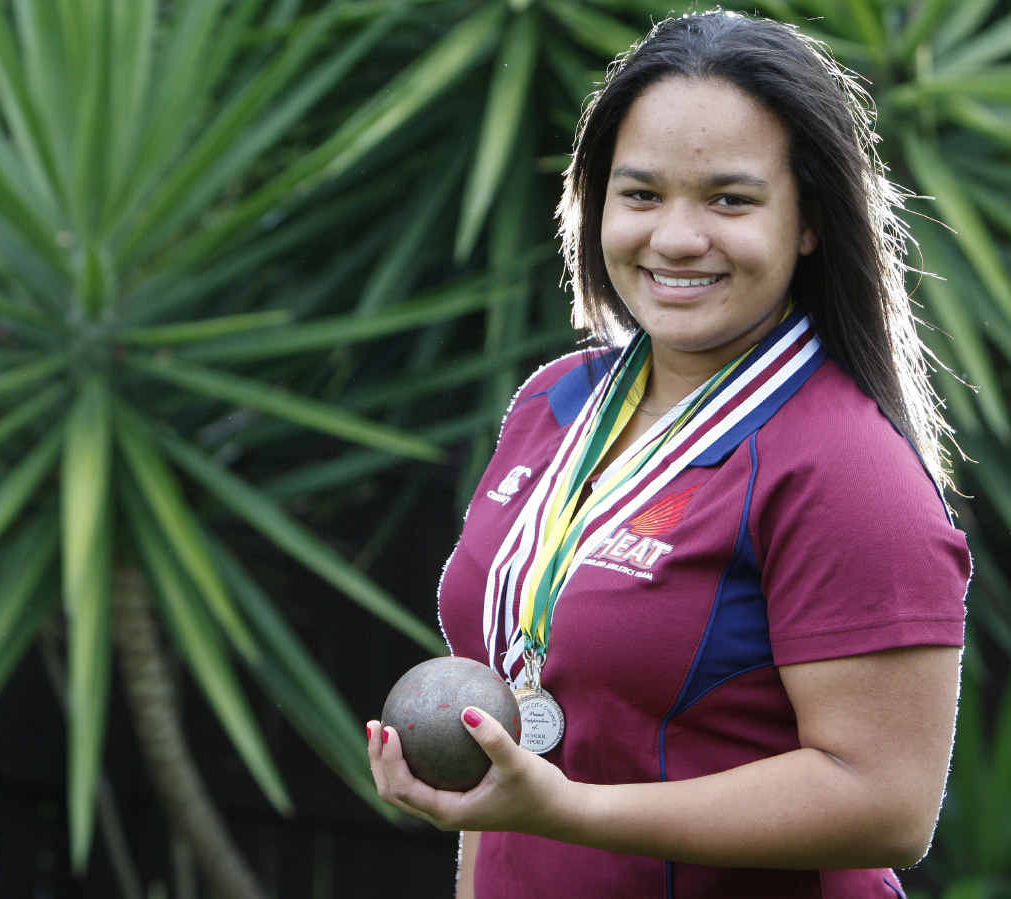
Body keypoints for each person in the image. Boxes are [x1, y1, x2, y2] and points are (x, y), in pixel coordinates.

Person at [368, 10, 972, 898]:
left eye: (730, 199)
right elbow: (508, 740)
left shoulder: (847, 470)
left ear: (809, 220)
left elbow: (888, 803)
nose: (677, 238)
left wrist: (564, 808)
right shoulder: (554, 404)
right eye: (641, 194)